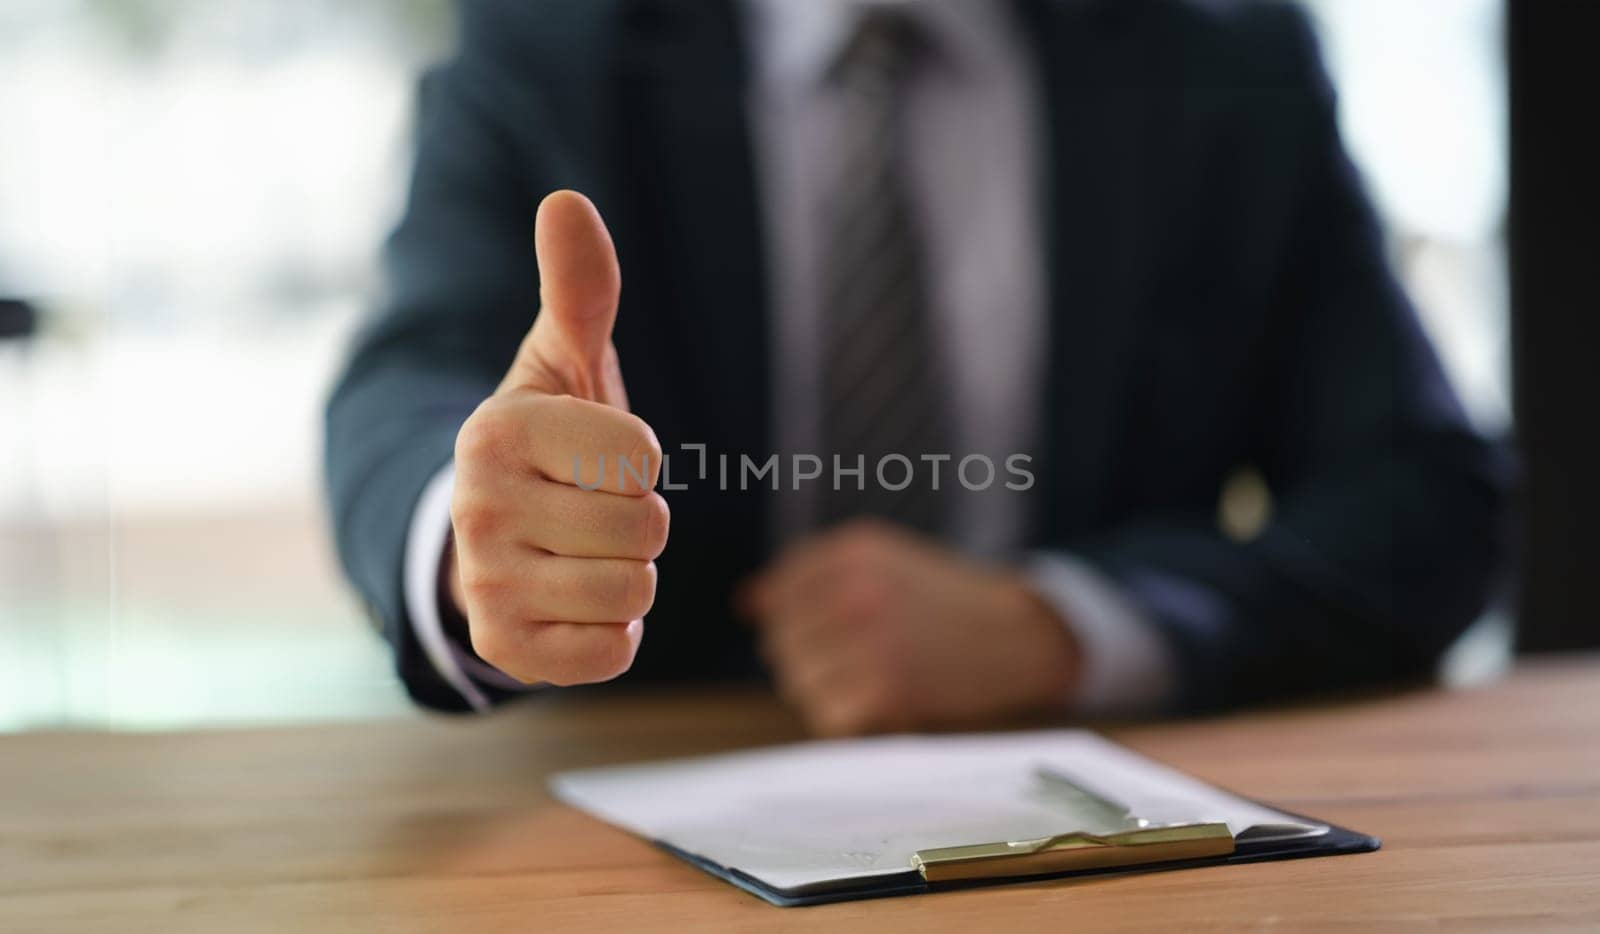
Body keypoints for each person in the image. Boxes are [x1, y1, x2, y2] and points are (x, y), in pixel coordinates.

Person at [325, 0, 1510, 734]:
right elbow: (408, 384)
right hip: (638, 818)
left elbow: (1427, 496)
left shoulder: (1225, 60)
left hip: (1116, 829)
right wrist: (476, 534)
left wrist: (1068, 629)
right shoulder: (549, 42)